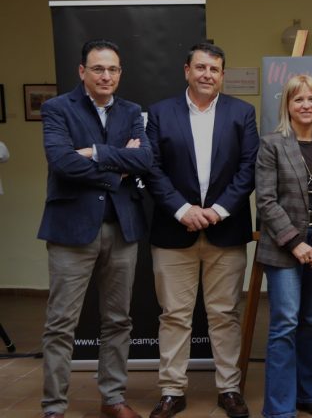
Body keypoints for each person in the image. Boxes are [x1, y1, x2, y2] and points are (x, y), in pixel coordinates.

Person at [38, 39, 151, 418]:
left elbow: (144, 159)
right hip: (71, 230)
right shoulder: (57, 108)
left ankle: (113, 398)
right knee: (61, 324)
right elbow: (62, 162)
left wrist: (95, 152)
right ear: (82, 71)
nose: (106, 76)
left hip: (121, 228)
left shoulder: (131, 111)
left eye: (113, 69)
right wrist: (118, 169)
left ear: (120, 73)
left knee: (118, 320)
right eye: (98, 68)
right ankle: (54, 407)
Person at [146, 42, 259, 418]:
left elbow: (248, 169)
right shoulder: (160, 113)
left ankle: (229, 389)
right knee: (174, 315)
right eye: (200, 67)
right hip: (173, 230)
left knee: (225, 314)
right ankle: (172, 391)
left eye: (214, 69)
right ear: (187, 71)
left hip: (225, 230)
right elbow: (152, 168)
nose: (207, 74)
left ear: (222, 75)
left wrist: (218, 210)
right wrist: (182, 209)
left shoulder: (242, 113)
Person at [255, 74, 312, 418]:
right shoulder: (271, 144)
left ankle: (308, 395)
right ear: (288, 105)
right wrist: (295, 242)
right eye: (298, 99)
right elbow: (265, 201)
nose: (306, 105)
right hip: (283, 247)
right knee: (285, 323)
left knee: (311, 322)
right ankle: (279, 408)